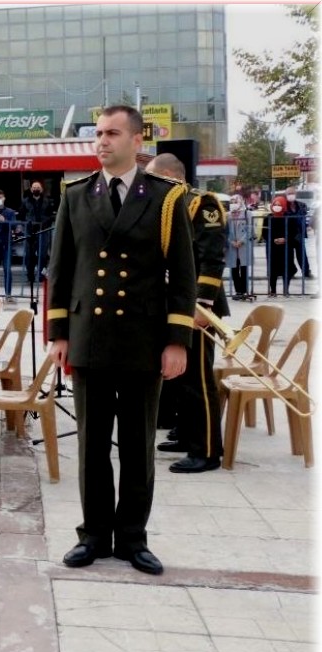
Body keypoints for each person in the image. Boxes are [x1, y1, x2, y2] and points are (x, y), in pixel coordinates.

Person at [46, 105, 196, 576]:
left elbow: (183, 277)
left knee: (136, 444)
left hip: (142, 338)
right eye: (98, 133)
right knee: (92, 443)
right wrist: (58, 334)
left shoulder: (167, 198)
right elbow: (61, 269)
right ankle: (93, 535)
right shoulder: (75, 195)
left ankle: (133, 537)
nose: (101, 141)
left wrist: (177, 341)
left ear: (136, 140)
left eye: (112, 133)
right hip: (89, 335)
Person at [147, 153, 228, 474]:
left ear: (169, 175)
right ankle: (186, 433)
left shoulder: (202, 204)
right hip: (174, 304)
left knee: (198, 379)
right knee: (179, 378)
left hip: (199, 307)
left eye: (153, 178)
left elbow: (212, 259)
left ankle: (207, 449)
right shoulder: (170, 207)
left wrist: (204, 307)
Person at [20, 180, 54, 284]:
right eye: (34, 187)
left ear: (42, 189)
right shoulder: (25, 201)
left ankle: (41, 276)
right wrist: (26, 224)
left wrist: (46, 223)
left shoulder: (48, 201)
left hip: (43, 231)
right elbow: (21, 215)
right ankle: (30, 276)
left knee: (43, 255)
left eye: (38, 187)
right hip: (30, 231)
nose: (36, 189)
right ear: (31, 189)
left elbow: (51, 215)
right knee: (29, 254)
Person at [266, 195, 297, 296]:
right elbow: (264, 232)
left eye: (279, 205)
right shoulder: (269, 217)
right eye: (275, 204)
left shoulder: (289, 217)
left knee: (287, 268)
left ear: (284, 205)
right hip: (273, 248)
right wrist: (273, 240)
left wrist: (286, 239)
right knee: (273, 270)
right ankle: (273, 290)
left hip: (286, 248)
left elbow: (294, 232)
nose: (277, 206)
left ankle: (286, 290)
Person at [225, 193, 253, 300]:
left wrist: (241, 241)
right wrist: (231, 242)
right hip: (232, 246)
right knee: (234, 269)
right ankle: (238, 291)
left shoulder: (247, 214)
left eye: (235, 202)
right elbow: (225, 231)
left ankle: (244, 291)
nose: (233, 204)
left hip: (243, 246)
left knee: (244, 268)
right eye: (231, 202)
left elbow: (250, 229)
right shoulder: (227, 215)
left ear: (241, 202)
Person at [285, 189, 311, 280]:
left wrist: (306, 226)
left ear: (295, 194)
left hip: (299, 233)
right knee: (289, 254)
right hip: (288, 234)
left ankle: (306, 272)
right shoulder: (284, 205)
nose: (290, 195)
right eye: (289, 194)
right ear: (286, 195)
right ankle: (291, 271)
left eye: (292, 193)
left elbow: (306, 218)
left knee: (302, 254)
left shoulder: (302, 205)